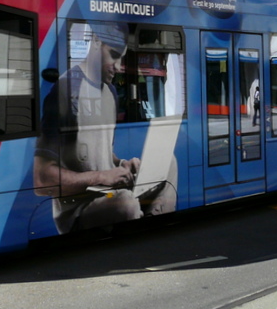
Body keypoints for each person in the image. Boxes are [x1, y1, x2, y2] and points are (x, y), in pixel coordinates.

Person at [34, 21, 174, 233]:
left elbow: (101, 152)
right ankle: (140, 220)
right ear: (97, 42)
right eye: (115, 55)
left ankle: (149, 221)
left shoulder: (110, 92)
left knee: (169, 163)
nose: (119, 67)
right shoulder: (65, 90)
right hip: (80, 208)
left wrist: (123, 164)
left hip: (109, 192)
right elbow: (42, 179)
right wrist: (101, 177)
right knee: (126, 202)